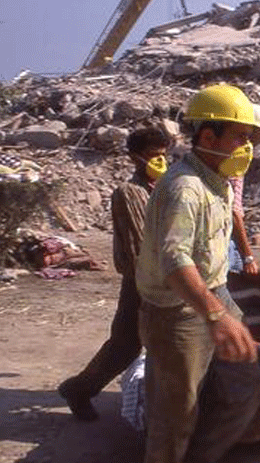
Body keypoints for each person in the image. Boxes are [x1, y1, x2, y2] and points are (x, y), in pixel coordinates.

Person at [135, 84, 260, 463]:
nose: (247, 147)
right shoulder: (184, 189)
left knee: (244, 382)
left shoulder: (215, 181)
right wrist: (215, 315)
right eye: (240, 137)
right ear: (209, 136)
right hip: (176, 312)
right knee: (175, 415)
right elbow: (175, 261)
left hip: (212, 292)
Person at [58, 127, 170, 421]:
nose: (160, 161)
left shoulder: (163, 188)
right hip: (143, 282)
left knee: (138, 345)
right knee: (125, 346)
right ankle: (78, 389)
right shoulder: (129, 193)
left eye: (163, 155)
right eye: (153, 156)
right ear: (135, 158)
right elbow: (138, 247)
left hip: (166, 278)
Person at [227, 104, 260, 275]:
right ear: (250, 131)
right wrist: (248, 257)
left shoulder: (229, 158)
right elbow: (234, 213)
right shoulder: (232, 164)